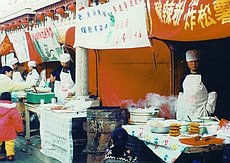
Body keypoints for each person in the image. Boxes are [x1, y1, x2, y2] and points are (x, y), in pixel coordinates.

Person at [176, 50, 217, 121]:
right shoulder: (184, 78)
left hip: (201, 114)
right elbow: (181, 95)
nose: (194, 64)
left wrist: (208, 110)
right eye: (191, 62)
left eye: (196, 62)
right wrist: (180, 112)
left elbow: (213, 94)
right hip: (186, 114)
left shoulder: (206, 78)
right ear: (187, 63)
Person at [0, 92, 24, 161]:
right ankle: (10, 155)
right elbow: (17, 121)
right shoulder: (13, 109)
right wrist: (20, 130)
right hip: (9, 130)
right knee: (9, 143)